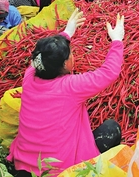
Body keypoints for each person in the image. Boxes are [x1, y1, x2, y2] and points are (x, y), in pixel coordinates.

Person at [8, 10, 125, 176]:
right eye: (70, 55)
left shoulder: (30, 76)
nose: (73, 57)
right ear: (64, 65)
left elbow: (41, 59)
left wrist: (67, 33)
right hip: (58, 172)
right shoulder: (70, 87)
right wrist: (117, 40)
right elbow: (109, 72)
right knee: (112, 128)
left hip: (23, 168)